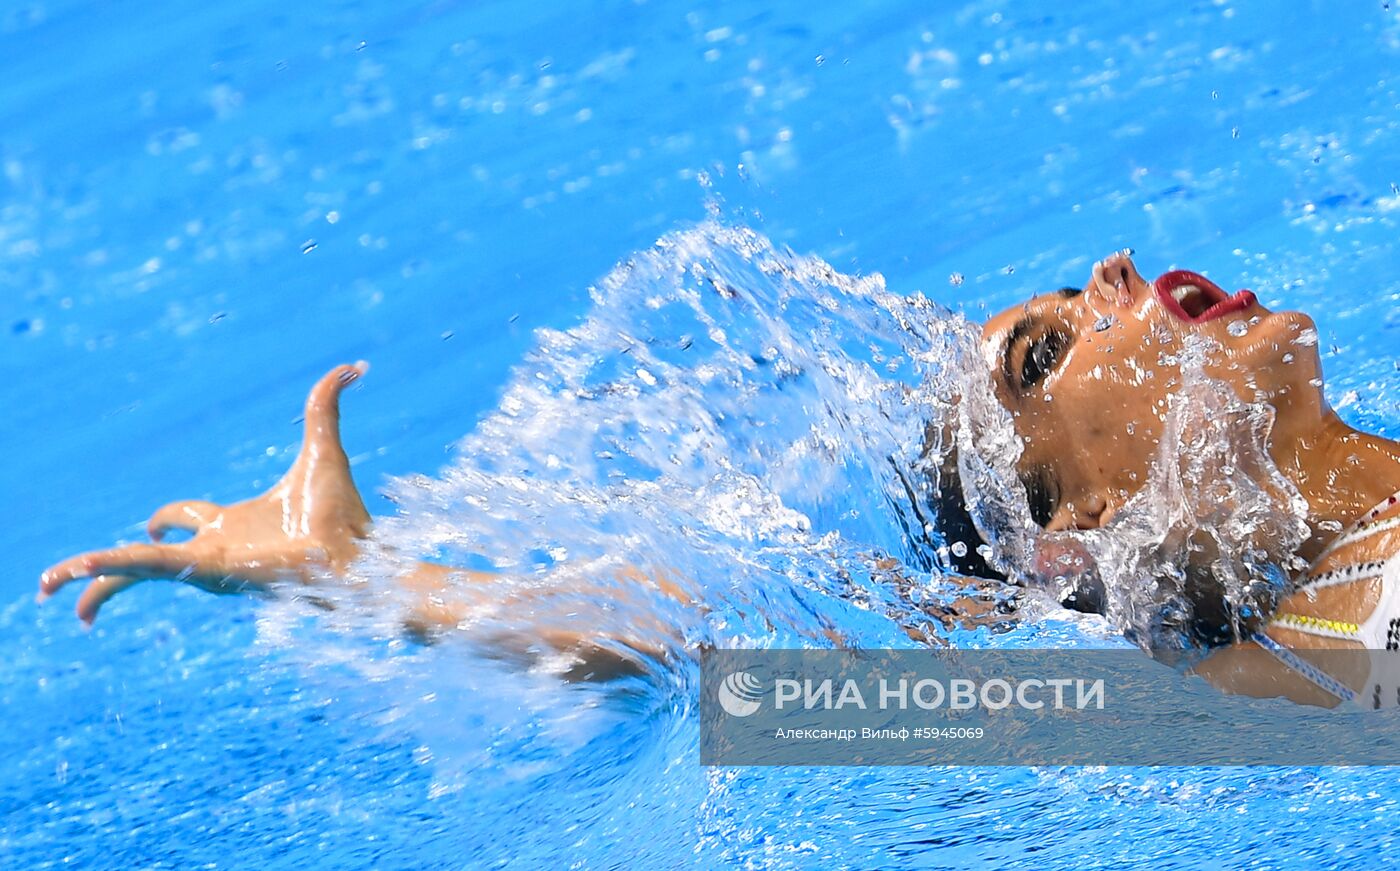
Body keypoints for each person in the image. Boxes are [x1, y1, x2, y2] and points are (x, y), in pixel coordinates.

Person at [38, 252, 1400, 705]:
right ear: (1089, 521)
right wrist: (362, 575)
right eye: (1049, 347)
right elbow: (769, 664)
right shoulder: (1317, 650)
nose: (1114, 275)